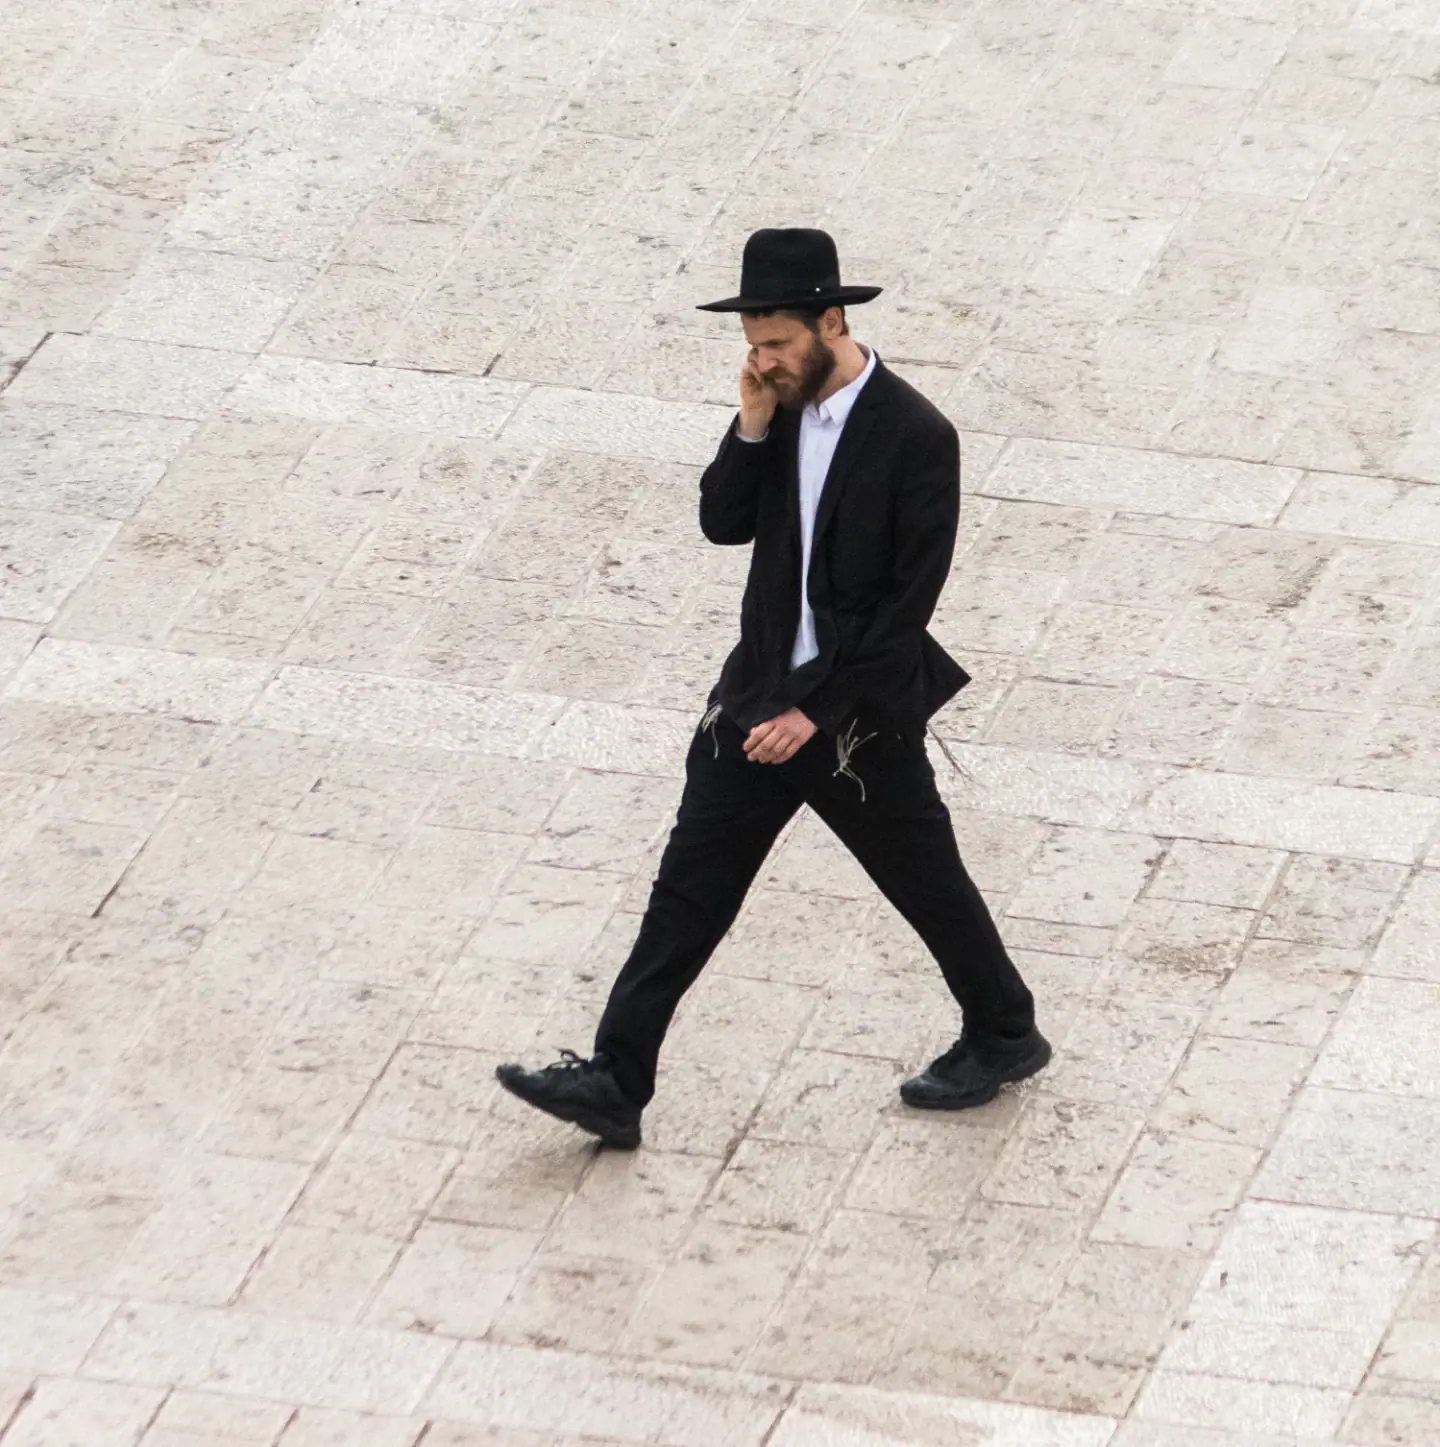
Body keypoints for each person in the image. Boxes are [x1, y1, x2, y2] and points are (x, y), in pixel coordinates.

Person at [497, 228, 1048, 1150]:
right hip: (753, 700)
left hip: (856, 722)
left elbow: (905, 610)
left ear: (832, 323)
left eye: (778, 343)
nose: (764, 360)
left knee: (926, 881)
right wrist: (750, 423)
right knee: (686, 895)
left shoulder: (918, 436)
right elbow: (722, 522)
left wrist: (813, 713)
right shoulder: (777, 409)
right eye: (753, 345)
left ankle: (1004, 1031)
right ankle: (618, 1080)